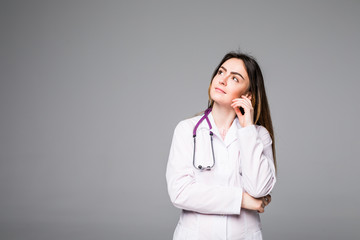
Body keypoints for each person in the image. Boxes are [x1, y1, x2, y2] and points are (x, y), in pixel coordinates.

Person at [166, 51, 277, 240]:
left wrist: (247, 129)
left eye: (234, 78)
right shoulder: (186, 130)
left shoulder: (258, 135)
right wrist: (242, 200)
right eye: (221, 72)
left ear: (247, 95)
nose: (223, 80)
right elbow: (180, 192)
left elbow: (259, 189)